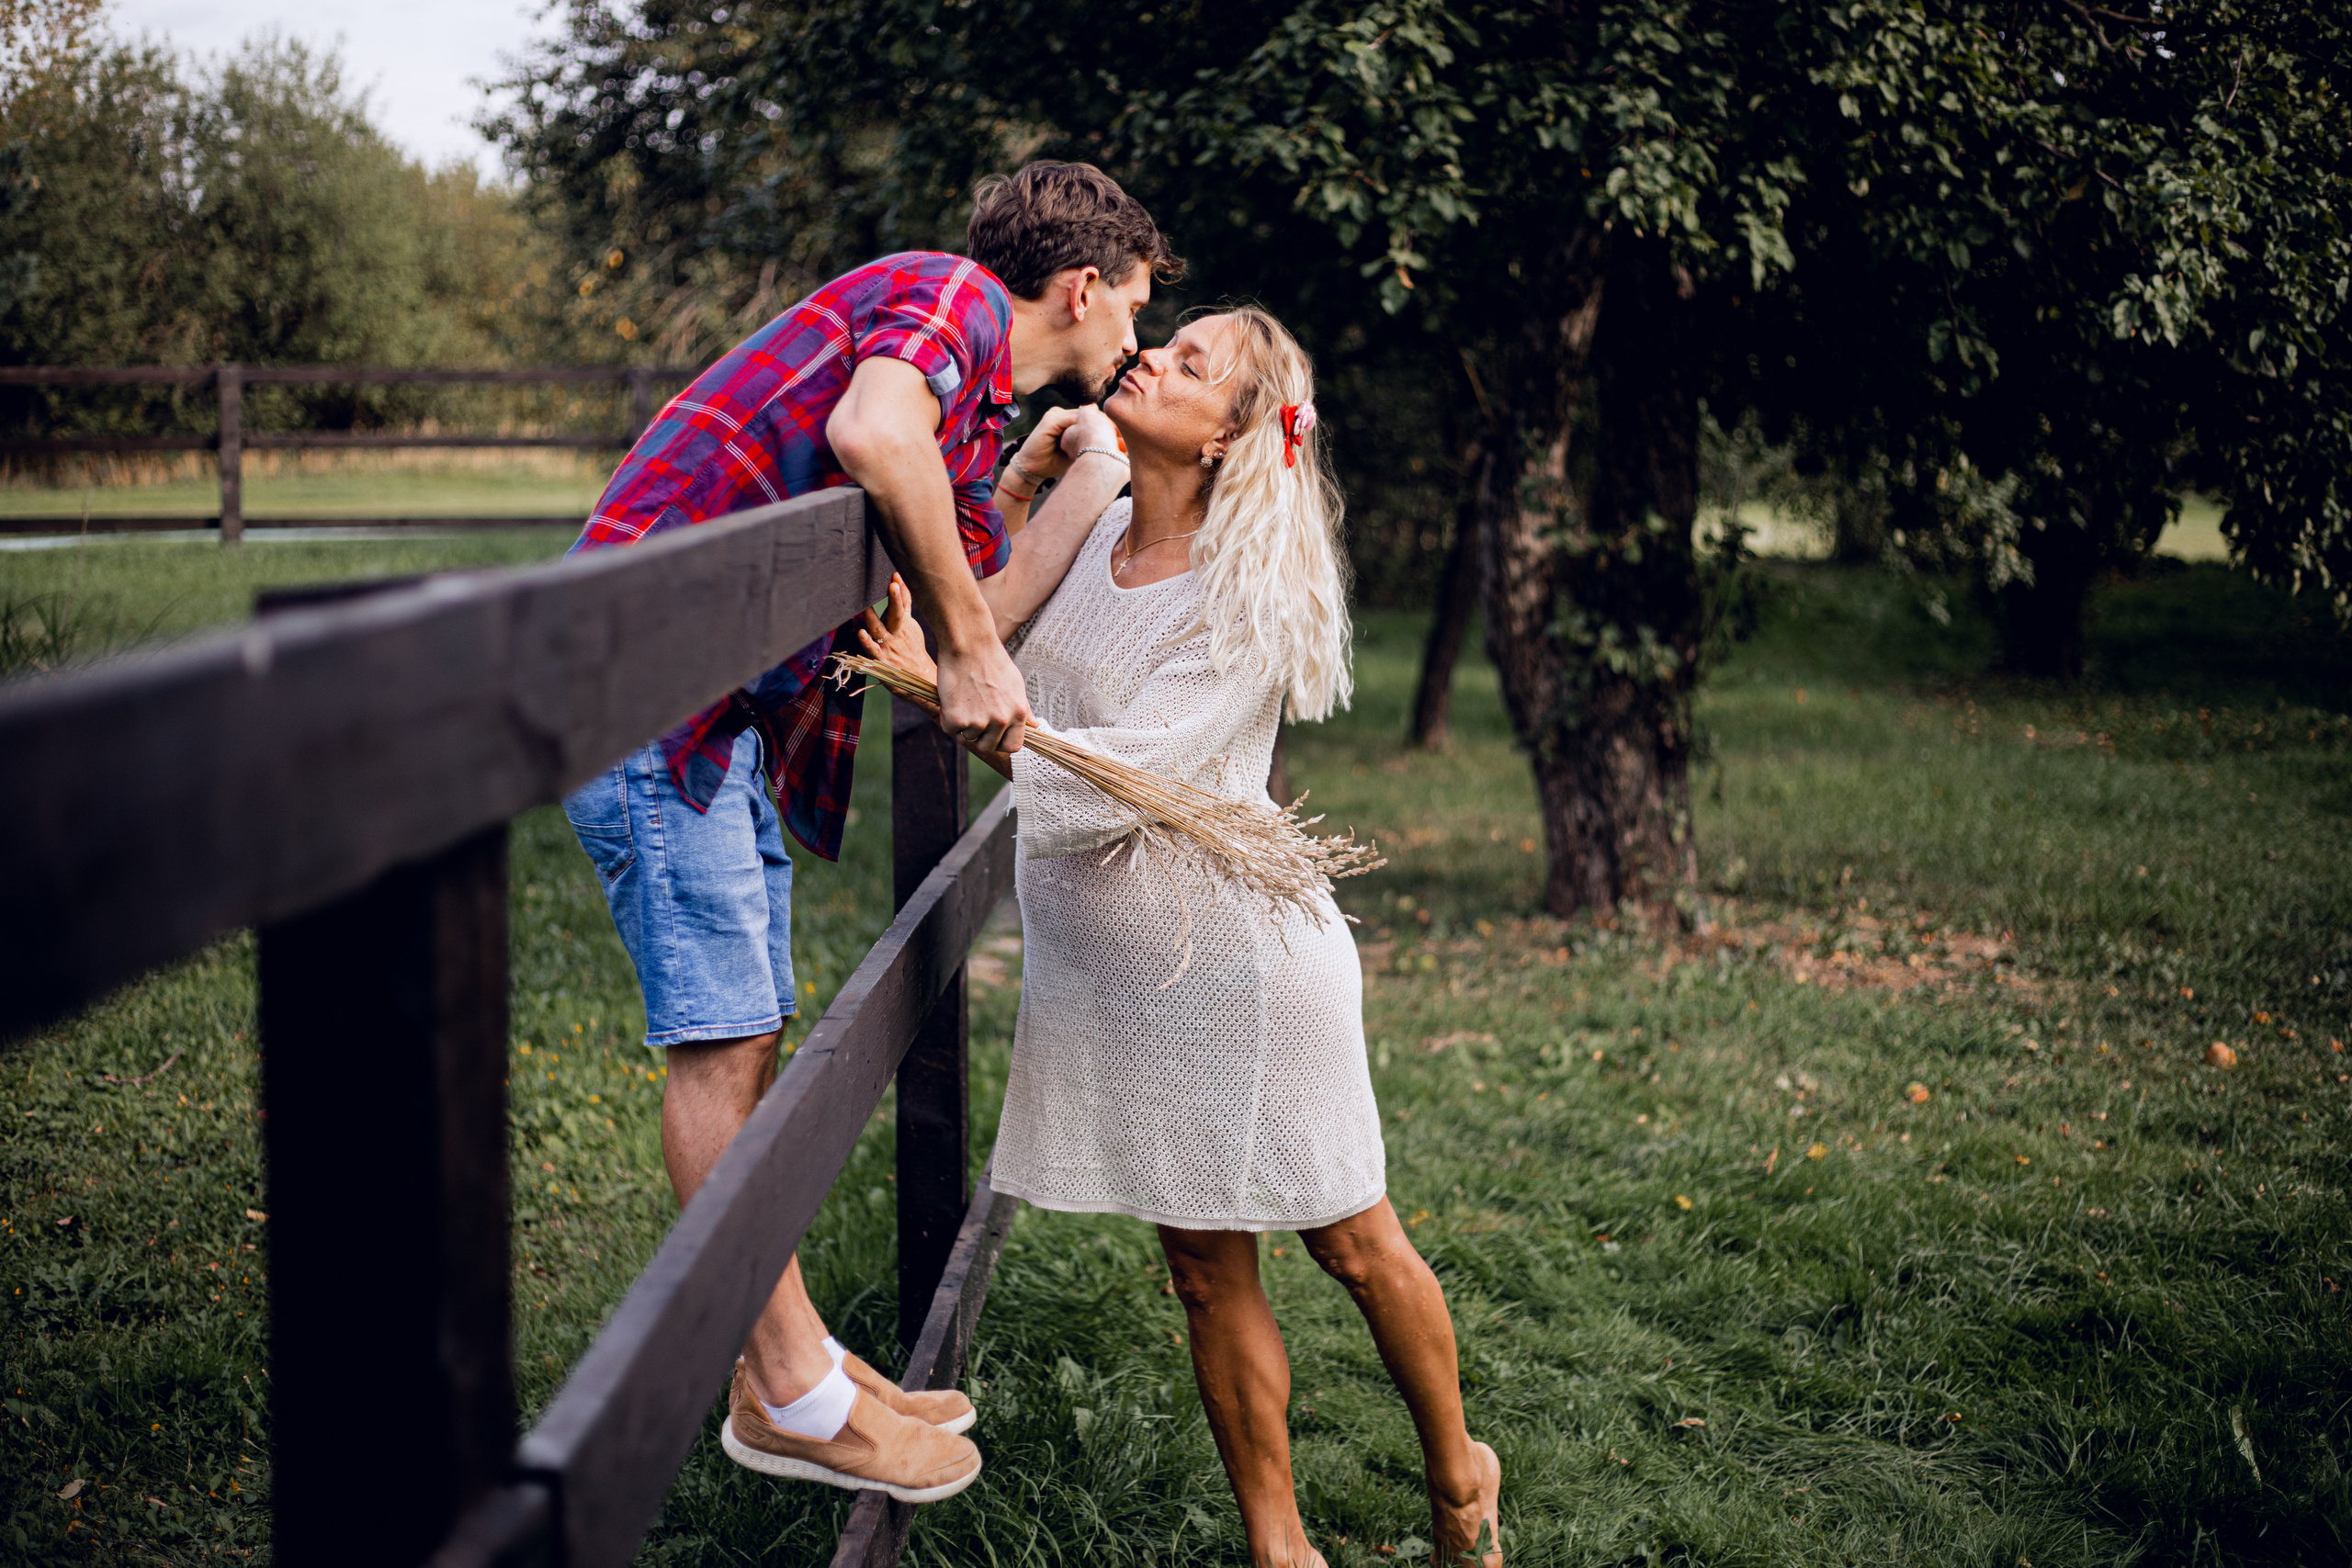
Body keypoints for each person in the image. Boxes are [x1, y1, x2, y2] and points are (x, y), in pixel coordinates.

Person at [560, 161, 1181, 1503]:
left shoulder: (962, 409)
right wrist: (961, 642)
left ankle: (777, 1361)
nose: (1133, 342)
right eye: (1131, 311)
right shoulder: (946, 300)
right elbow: (875, 450)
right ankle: (790, 1391)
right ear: (1079, 287)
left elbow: (977, 606)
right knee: (722, 1044)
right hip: (644, 691)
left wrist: (1071, 483)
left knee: (747, 1032)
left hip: (701, 710)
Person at [858, 308, 1503, 1565]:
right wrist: (1015, 488)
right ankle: (1282, 1550)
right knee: (1205, 1268)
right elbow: (979, 620)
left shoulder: (1245, 590)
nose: (1152, 353)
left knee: (1351, 1242)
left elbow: (1130, 772)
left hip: (1241, 962)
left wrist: (943, 693)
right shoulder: (1095, 527)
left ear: (1225, 437)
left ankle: (1458, 1477)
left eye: (1192, 363)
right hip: (1123, 971)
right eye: (1171, 341)